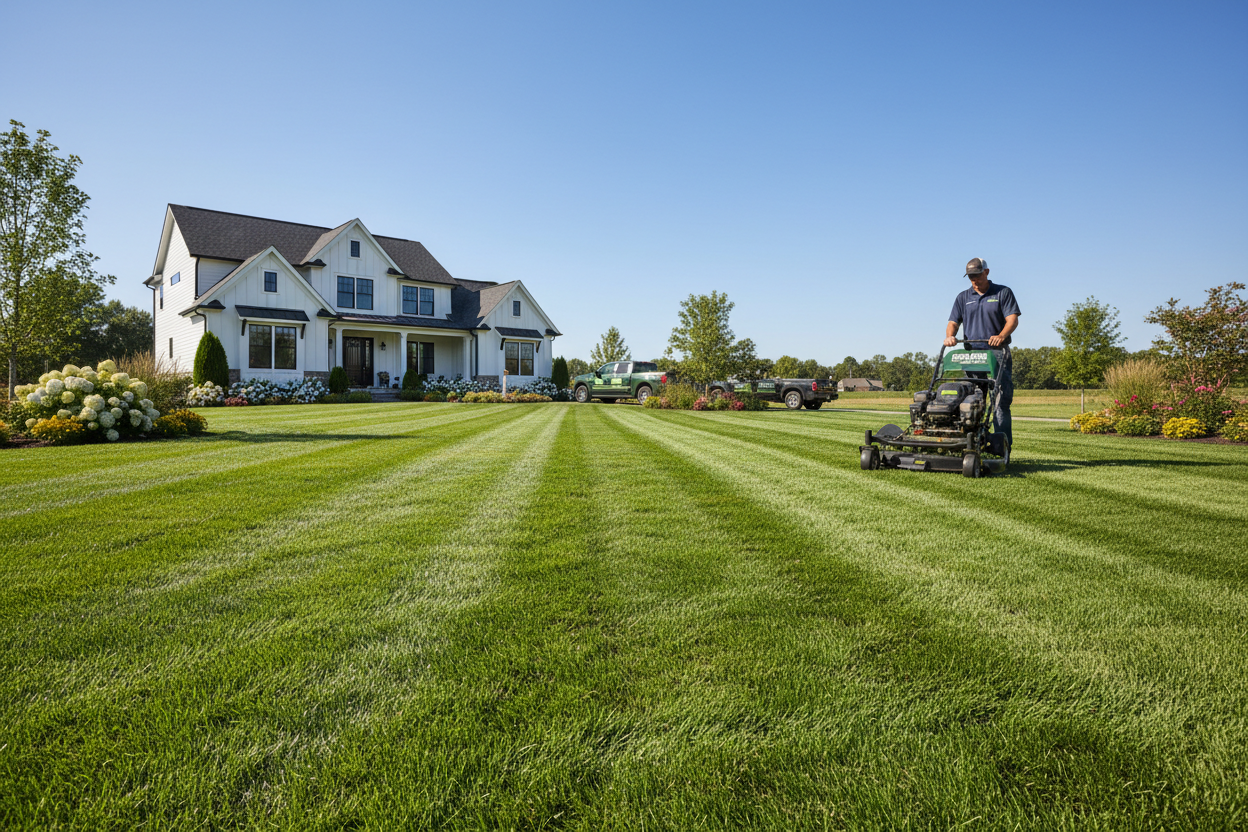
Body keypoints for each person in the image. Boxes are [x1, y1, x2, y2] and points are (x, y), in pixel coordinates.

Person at [944, 257, 1020, 451]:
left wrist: (1001, 336)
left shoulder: (1002, 292)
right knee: (973, 401)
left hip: (997, 353)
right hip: (972, 355)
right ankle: (973, 444)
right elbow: (953, 322)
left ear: (986, 272)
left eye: (977, 276)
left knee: (1000, 402)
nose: (974, 280)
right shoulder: (963, 297)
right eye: (971, 277)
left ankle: (1002, 447)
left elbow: (1012, 320)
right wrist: (950, 336)